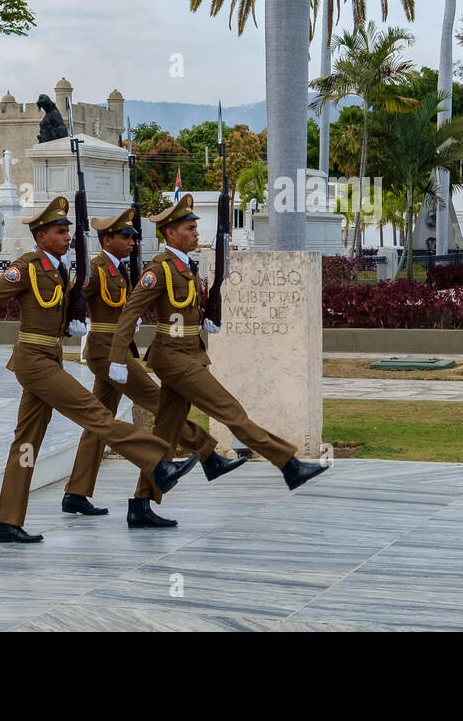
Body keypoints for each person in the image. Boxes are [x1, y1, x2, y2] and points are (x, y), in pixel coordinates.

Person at [0, 195, 198, 543]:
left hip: (50, 357)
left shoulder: (58, 269)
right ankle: (157, 463)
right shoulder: (27, 267)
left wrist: (73, 322)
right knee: (94, 414)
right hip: (34, 361)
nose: (67, 237)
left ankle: (7, 522)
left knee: (26, 443)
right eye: (60, 231)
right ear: (41, 236)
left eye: (67, 231)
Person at [109, 194, 329, 502]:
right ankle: (288, 464)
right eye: (189, 228)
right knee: (230, 410)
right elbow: (130, 312)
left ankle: (142, 503)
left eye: (196, 227)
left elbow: (188, 308)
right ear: (170, 233)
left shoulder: (185, 266)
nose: (196, 232)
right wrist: (118, 357)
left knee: (167, 432)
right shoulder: (159, 270)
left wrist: (208, 316)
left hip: (189, 353)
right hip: (173, 358)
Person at [63, 206, 246, 528]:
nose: (132, 242)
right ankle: (208, 455)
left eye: (133, 237)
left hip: (116, 350)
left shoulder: (120, 269)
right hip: (107, 353)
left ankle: (77, 492)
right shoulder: (97, 269)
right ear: (107, 240)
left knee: (99, 422)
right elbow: (72, 297)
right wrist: (74, 319)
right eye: (125, 237)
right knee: (160, 404)